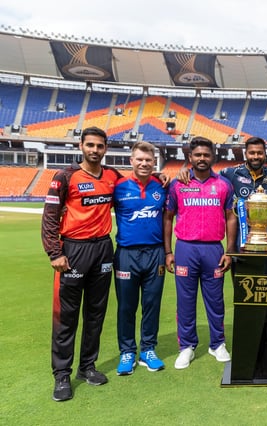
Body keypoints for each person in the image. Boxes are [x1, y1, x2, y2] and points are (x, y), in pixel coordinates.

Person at [41, 126, 121, 402]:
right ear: (81, 146)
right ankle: (62, 374)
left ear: (105, 148)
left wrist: (161, 177)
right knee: (67, 316)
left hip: (102, 249)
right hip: (73, 250)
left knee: (96, 314)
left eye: (100, 146)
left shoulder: (112, 176)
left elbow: (135, 186)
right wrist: (54, 253)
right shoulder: (65, 176)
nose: (95, 150)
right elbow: (50, 217)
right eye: (90, 145)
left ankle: (87, 367)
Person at [163, 137, 237, 369]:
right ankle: (187, 346)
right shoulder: (178, 184)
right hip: (185, 248)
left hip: (214, 249)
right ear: (190, 158)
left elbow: (231, 217)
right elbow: (167, 217)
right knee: (185, 301)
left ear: (213, 157)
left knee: (215, 301)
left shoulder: (224, 184)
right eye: (198, 155)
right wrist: (168, 251)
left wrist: (230, 250)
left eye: (206, 155)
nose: (202, 159)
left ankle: (217, 344)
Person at [218, 137, 267, 360]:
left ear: (265, 154)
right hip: (240, 248)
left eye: (260, 153)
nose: (256, 156)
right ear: (245, 153)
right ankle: (245, 341)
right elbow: (206, 180)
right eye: (252, 153)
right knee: (243, 295)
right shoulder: (230, 174)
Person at [112, 141, 167, 375]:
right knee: (126, 306)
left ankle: (148, 349)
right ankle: (127, 351)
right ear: (131, 161)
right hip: (127, 254)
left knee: (151, 305)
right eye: (140, 159)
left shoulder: (162, 185)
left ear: (154, 162)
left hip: (155, 253)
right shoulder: (118, 187)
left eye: (148, 160)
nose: (144, 163)